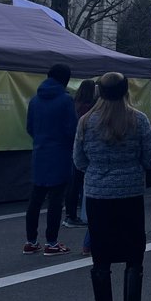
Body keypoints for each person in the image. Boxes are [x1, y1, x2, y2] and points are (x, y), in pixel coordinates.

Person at [74, 71, 151, 301]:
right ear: (126, 91)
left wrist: (100, 173)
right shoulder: (138, 120)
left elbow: (79, 160)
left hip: (98, 197)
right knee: (134, 257)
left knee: (101, 260)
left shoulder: (86, 122)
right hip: (130, 195)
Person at [24, 63, 77, 256]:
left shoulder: (35, 100)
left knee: (35, 199)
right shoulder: (65, 100)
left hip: (40, 152)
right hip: (60, 154)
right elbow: (72, 130)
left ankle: (30, 241)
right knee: (56, 200)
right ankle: (52, 242)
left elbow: (30, 128)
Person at [65, 79, 98, 227]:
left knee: (74, 181)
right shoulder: (90, 107)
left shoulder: (75, 103)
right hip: (86, 146)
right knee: (83, 181)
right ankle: (79, 214)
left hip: (73, 145)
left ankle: (70, 213)